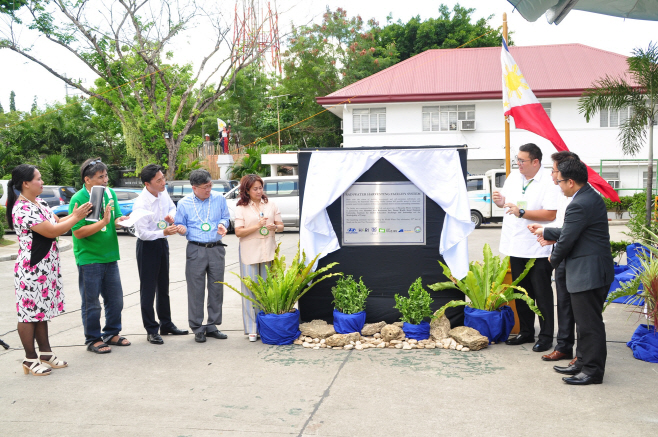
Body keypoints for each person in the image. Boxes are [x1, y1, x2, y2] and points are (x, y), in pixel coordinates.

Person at [530, 158, 615, 385]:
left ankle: (592, 371)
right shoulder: (586, 197)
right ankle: (582, 362)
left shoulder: (580, 203)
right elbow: (572, 231)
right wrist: (548, 233)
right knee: (584, 322)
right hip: (589, 270)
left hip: (589, 273)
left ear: (570, 182)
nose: (558, 185)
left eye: (559, 182)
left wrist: (552, 259)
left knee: (589, 325)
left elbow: (568, 238)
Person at [8, 164, 92, 375]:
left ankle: (45, 353)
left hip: (46, 267)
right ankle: (29, 358)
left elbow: (59, 222)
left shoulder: (40, 203)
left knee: (41, 311)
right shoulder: (22, 209)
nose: (42, 182)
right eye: (38, 179)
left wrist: (75, 215)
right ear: (26, 183)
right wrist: (77, 216)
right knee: (29, 314)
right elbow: (51, 231)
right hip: (32, 268)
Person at [492, 143, 560, 352]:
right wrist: (501, 201)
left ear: (536, 162)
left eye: (522, 160)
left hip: (538, 247)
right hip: (516, 244)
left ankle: (546, 335)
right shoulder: (513, 177)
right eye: (517, 160)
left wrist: (522, 212)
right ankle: (527, 332)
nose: (518, 164)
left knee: (542, 293)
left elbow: (550, 214)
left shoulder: (548, 182)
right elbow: (508, 205)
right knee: (522, 293)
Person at [70, 158, 130, 354]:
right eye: (100, 177)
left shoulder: (110, 193)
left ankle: (111, 333)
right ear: (87, 179)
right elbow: (78, 232)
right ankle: (93, 338)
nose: (105, 180)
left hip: (110, 255)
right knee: (91, 302)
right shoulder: (78, 199)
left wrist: (124, 220)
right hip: (89, 258)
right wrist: (103, 221)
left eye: (106, 176)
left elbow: (116, 220)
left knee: (115, 299)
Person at [133, 164, 188, 345]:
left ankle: (166, 324)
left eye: (163, 177)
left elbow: (173, 207)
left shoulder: (163, 193)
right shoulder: (141, 203)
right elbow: (143, 233)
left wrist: (170, 217)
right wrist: (163, 233)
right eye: (159, 180)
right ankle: (151, 329)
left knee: (163, 286)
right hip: (147, 247)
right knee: (148, 289)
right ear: (148, 184)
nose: (164, 182)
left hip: (162, 244)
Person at [174, 169, 231, 343]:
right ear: (194, 188)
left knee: (216, 288)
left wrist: (222, 225)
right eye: (205, 187)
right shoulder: (184, 203)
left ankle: (213, 325)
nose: (209, 189)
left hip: (216, 248)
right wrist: (181, 229)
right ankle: (197, 327)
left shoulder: (219, 199)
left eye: (210, 185)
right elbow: (179, 224)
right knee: (196, 290)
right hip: (195, 249)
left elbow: (225, 217)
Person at [533, 151, 579, 362]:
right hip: (561, 256)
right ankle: (564, 346)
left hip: (577, 260)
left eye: (554, 171)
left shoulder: (581, 199)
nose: (552, 176)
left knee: (580, 309)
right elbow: (563, 227)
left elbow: (574, 232)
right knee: (563, 304)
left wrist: (547, 234)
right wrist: (548, 234)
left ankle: (584, 353)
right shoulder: (563, 195)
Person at [234, 174, 283, 341]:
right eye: (255, 188)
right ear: (246, 190)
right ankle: (251, 328)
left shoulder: (271, 204)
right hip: (249, 253)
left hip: (268, 252)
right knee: (250, 291)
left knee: (266, 291)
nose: (259, 191)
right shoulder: (241, 208)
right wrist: (257, 226)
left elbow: (281, 226)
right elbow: (238, 232)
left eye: (260, 188)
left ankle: (265, 326)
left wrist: (274, 226)